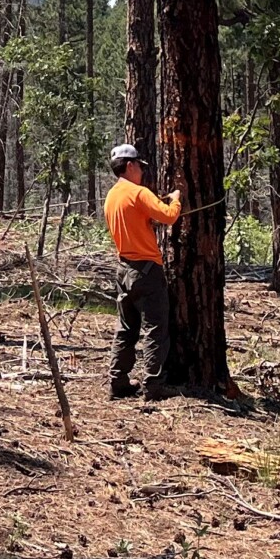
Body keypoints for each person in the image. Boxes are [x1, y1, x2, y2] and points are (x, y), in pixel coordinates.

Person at [103, 142, 182, 400]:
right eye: (139, 166)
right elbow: (169, 216)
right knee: (155, 329)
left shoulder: (112, 197)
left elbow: (135, 221)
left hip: (123, 270)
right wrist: (177, 199)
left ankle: (118, 381)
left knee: (126, 328)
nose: (142, 171)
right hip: (147, 272)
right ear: (130, 165)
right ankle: (153, 386)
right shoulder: (138, 193)